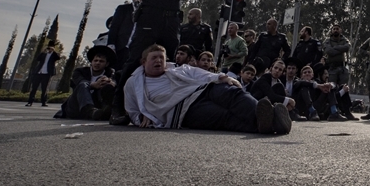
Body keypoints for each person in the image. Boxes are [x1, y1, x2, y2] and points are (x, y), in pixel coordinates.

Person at [110, 0, 196, 125]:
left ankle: (165, 107)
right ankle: (118, 108)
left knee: (170, 64)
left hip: (171, 19)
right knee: (134, 61)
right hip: (150, 17)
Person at [123, 44, 290, 135]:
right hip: (184, 109)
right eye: (154, 58)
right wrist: (142, 115)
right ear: (143, 62)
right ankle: (275, 123)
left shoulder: (176, 69)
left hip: (202, 90)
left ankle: (271, 118)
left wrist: (223, 77)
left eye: (162, 58)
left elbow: (199, 74)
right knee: (223, 116)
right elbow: (132, 109)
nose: (159, 61)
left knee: (233, 93)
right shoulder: (133, 84)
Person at [55, 45, 116, 120]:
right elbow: (80, 81)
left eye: (101, 61)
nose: (97, 63)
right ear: (91, 62)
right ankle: (90, 111)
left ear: (106, 64)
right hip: (75, 106)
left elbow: (115, 85)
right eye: (95, 60)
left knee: (108, 86)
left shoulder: (110, 73)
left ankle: (107, 111)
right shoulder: (80, 71)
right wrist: (93, 85)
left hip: (97, 106)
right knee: (83, 84)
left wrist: (111, 83)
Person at [107, 0, 145, 69]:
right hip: (121, 46)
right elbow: (114, 27)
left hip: (136, 48)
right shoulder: (123, 9)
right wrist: (111, 44)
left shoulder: (146, 12)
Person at [26, 42, 62, 107]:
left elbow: (58, 58)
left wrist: (53, 51)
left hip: (47, 73)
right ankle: (30, 102)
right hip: (39, 72)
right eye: (49, 47)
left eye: (51, 47)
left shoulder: (54, 55)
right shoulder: (44, 54)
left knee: (44, 88)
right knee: (34, 88)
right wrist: (43, 51)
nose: (50, 49)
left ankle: (43, 102)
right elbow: (38, 59)